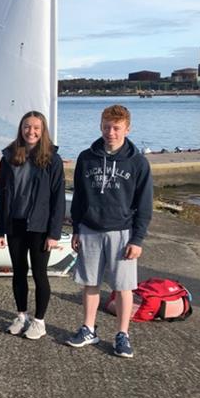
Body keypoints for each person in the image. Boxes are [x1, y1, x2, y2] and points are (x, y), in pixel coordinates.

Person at [66, 105, 152, 358]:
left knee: (123, 287)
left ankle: (122, 334)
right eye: (106, 126)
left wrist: (137, 239)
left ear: (127, 128)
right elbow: (79, 197)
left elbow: (144, 204)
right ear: (100, 126)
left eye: (116, 127)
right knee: (90, 283)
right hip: (90, 229)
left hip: (122, 232)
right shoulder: (86, 157)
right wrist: (76, 229)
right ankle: (88, 328)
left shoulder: (138, 162)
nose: (110, 132)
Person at [0, 111, 65, 341]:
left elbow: (58, 198)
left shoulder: (53, 159)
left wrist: (54, 233)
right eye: (27, 127)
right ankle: (21, 315)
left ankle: (39, 321)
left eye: (36, 127)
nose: (31, 131)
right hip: (15, 223)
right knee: (19, 273)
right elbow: (1, 194)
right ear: (21, 128)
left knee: (40, 274)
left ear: (42, 130)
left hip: (40, 226)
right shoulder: (10, 156)